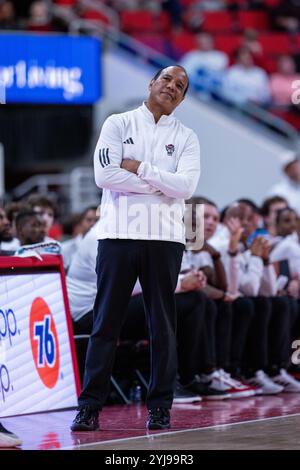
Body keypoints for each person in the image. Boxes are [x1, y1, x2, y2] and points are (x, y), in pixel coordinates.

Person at [70, 65, 201, 432]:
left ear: (183, 97)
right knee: (104, 325)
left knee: (163, 328)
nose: (172, 87)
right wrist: (161, 183)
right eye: (166, 80)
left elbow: (186, 187)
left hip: (165, 240)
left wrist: (139, 167)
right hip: (117, 236)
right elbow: (104, 175)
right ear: (151, 83)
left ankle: (160, 407)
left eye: (180, 86)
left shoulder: (187, 137)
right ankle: (89, 407)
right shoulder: (118, 123)